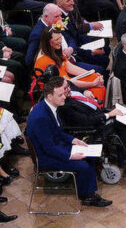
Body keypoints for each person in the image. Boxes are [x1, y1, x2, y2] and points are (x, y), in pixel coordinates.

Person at [23, 79, 109, 207]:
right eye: (60, 95)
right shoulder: (41, 117)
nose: (64, 97)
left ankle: (88, 193)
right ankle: (87, 196)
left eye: (63, 93)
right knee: (83, 166)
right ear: (50, 96)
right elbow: (49, 147)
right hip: (46, 157)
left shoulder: (49, 107)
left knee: (89, 155)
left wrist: (74, 140)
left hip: (56, 147)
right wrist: (70, 155)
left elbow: (57, 132)